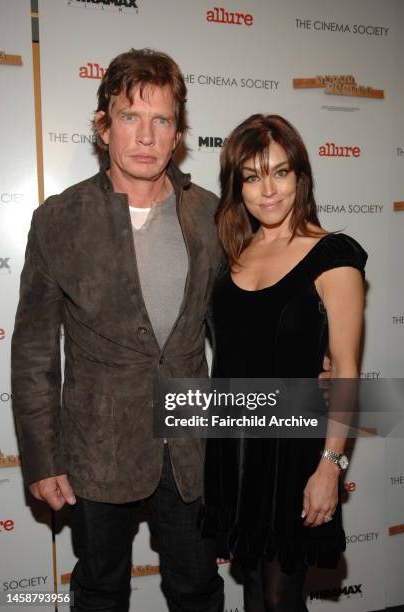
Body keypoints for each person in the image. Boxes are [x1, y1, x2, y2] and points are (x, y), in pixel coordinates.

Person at [11, 48, 224, 612]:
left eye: (162, 120)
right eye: (131, 117)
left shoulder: (211, 214)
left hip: (191, 440)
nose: (147, 136)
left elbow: (243, 316)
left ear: (178, 132)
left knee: (197, 586)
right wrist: (41, 457)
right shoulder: (59, 218)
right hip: (96, 447)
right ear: (104, 125)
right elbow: (34, 351)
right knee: (101, 589)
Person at [203, 114, 367, 612]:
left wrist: (330, 467)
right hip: (235, 447)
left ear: (300, 175)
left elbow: (345, 370)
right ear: (238, 186)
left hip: (294, 453)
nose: (267, 190)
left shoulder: (332, 257)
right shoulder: (233, 252)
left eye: (280, 171)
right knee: (252, 587)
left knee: (280, 596)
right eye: (252, 177)